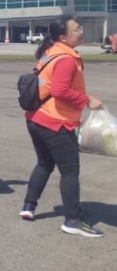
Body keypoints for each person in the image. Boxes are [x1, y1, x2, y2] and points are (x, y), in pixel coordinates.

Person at [21, 15, 105, 237]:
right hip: (55, 122)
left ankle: (28, 206)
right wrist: (87, 100)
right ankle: (72, 220)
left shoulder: (51, 52)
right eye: (76, 29)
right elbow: (60, 91)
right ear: (63, 36)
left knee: (44, 164)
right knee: (70, 172)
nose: (81, 31)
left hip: (36, 118)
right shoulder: (66, 59)